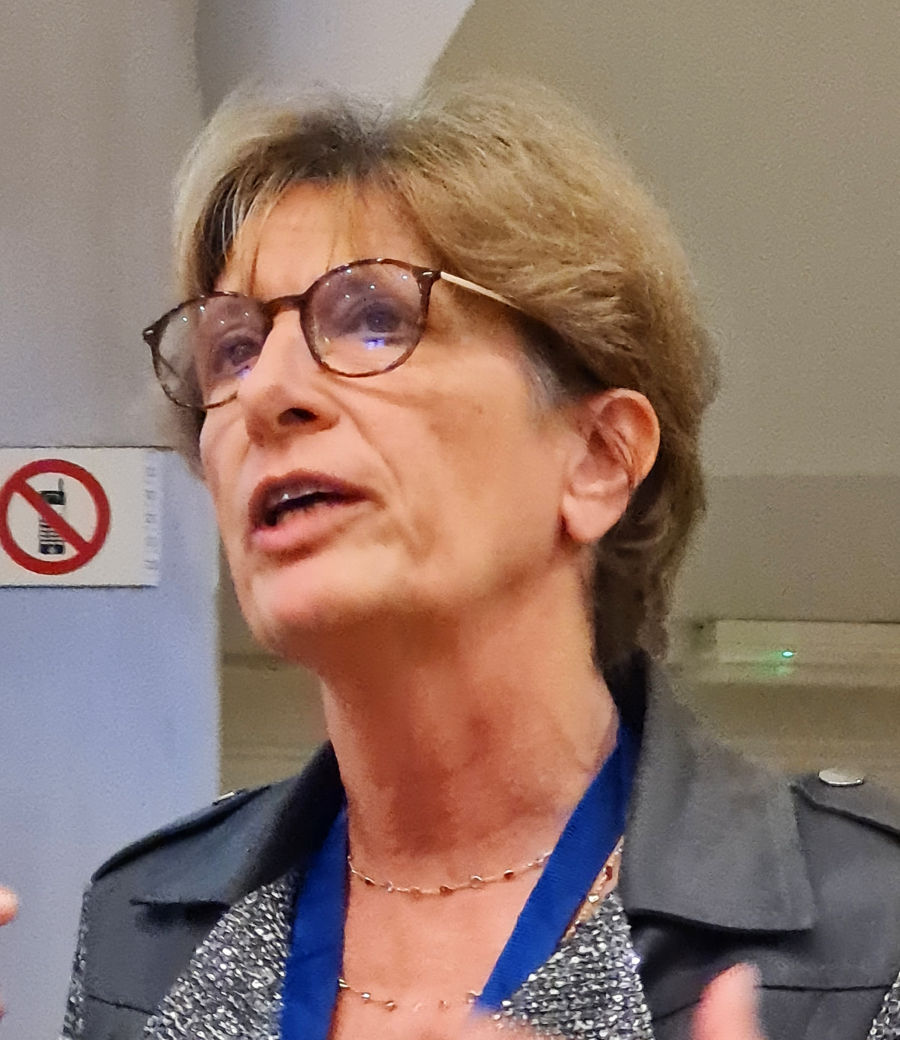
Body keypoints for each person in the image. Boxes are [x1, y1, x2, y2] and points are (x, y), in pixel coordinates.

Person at [2, 79, 898, 1040]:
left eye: (374, 319)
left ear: (599, 460)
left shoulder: (871, 924)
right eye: (234, 349)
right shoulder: (140, 925)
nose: (266, 394)